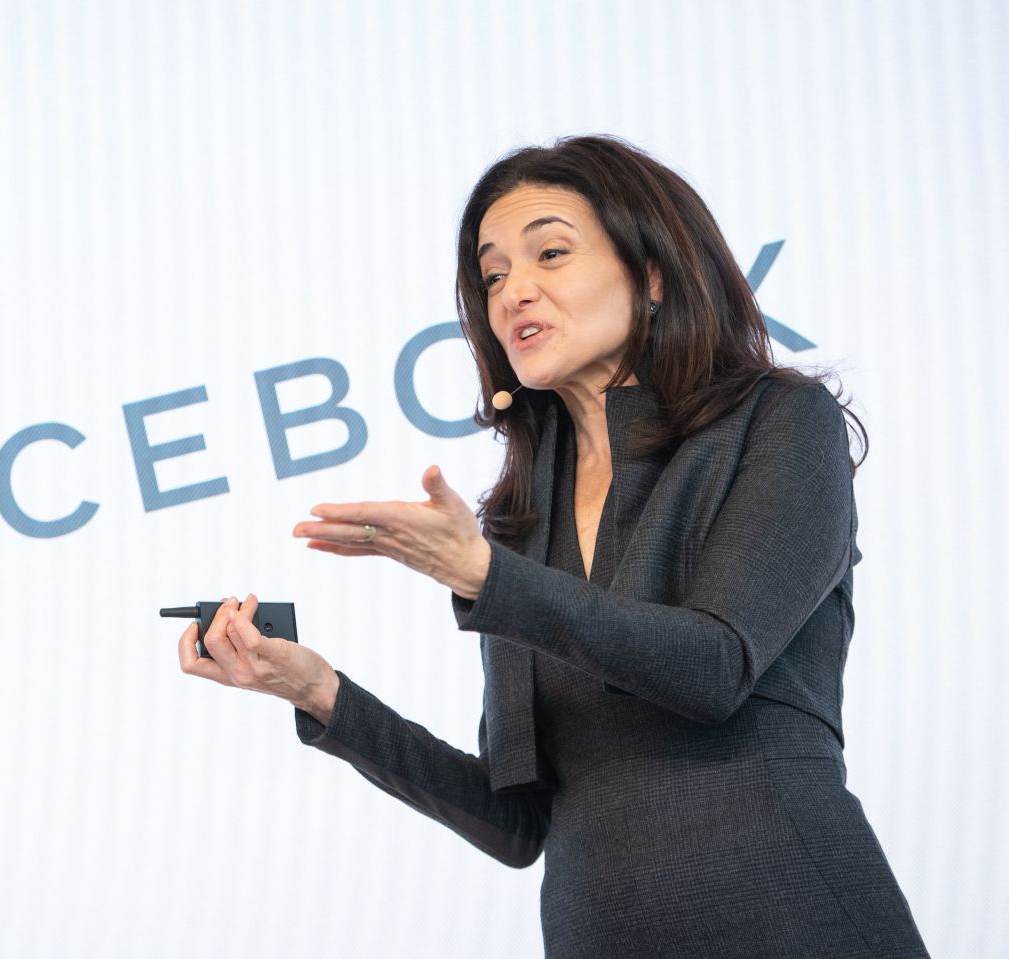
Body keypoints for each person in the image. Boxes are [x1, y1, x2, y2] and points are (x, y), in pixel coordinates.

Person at [176, 134, 928, 958]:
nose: (512, 294)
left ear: (652, 273)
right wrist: (321, 694)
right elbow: (517, 822)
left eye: (552, 254)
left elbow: (713, 668)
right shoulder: (515, 522)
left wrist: (487, 576)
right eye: (494, 275)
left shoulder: (778, 423)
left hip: (785, 913)